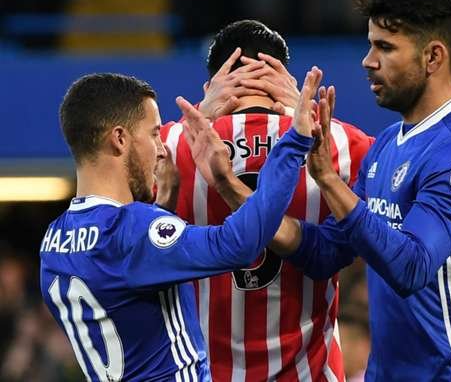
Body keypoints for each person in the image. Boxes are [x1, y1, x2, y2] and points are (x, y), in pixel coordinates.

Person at [252, 0, 451, 380]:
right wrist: (236, 194)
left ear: (433, 57)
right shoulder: (389, 143)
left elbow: (412, 267)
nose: (368, 60)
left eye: (385, 47)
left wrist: (330, 181)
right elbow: (327, 251)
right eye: (371, 44)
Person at [39, 70, 324, 381]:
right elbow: (238, 244)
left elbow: (127, 278)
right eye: (154, 134)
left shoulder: (54, 242)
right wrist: (295, 141)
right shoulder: (130, 231)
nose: (162, 148)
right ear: (119, 139)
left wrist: (164, 206)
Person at [161, 19, 373, 381]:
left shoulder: (170, 146)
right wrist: (307, 115)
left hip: (204, 372)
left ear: (212, 85)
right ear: (285, 81)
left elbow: (115, 221)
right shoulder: (342, 145)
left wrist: (198, 112)